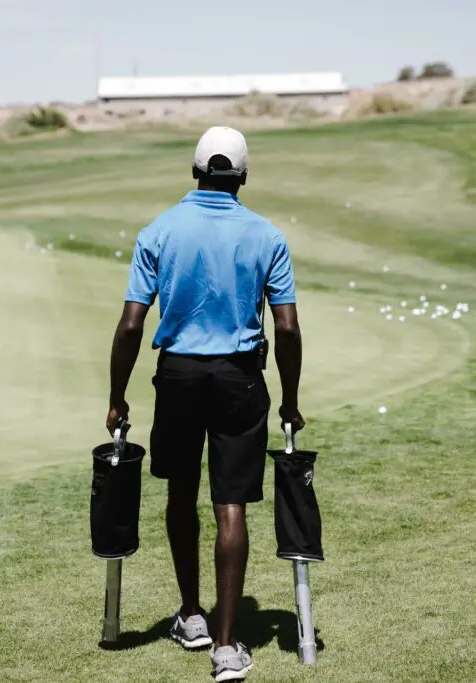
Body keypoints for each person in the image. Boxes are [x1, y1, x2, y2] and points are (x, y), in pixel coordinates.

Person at [105, 125, 304, 681]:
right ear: (242, 175)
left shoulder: (160, 230)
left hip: (178, 376)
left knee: (182, 493)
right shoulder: (266, 235)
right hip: (241, 378)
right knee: (230, 504)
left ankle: (192, 615)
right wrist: (290, 399)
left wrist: (117, 396)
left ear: (195, 171)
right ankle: (225, 645)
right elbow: (285, 329)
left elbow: (129, 326)